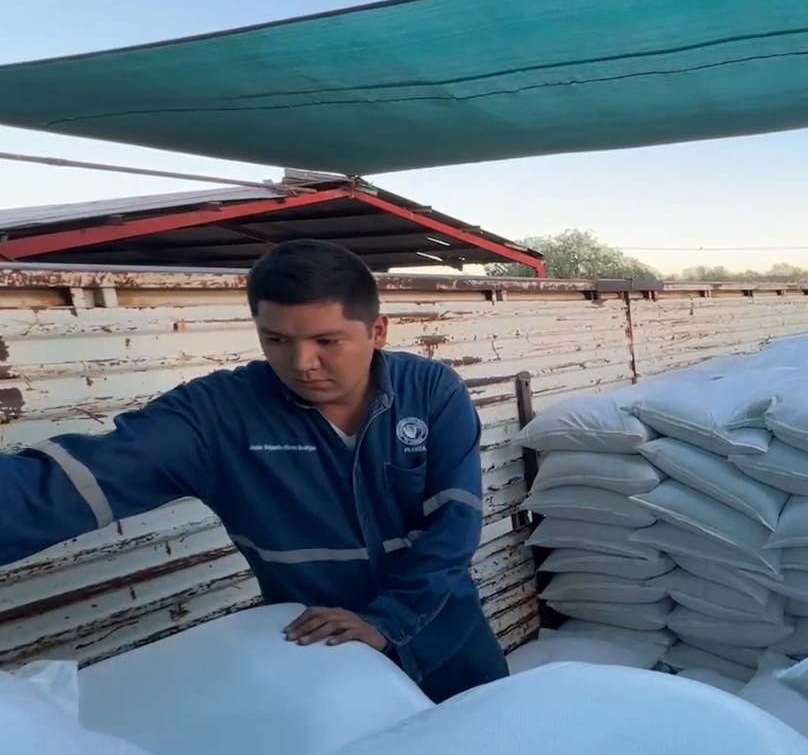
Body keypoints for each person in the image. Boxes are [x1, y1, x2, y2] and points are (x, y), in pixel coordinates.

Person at [0, 239, 509, 703]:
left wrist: (388, 620)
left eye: (327, 341)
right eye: (277, 341)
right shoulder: (220, 415)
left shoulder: (430, 391)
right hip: (328, 662)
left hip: (449, 641)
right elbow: (73, 483)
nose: (302, 363)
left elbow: (455, 522)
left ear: (377, 331)